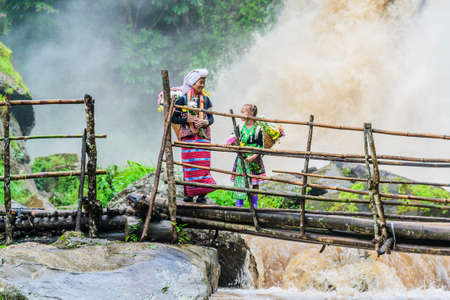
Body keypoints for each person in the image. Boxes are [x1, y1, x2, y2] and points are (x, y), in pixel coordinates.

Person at [171, 69, 216, 203]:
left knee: (203, 166)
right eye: (200, 82)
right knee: (189, 166)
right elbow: (174, 118)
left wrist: (206, 122)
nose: (202, 85)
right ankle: (189, 194)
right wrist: (187, 120)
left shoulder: (206, 100)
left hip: (203, 138)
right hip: (188, 137)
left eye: (203, 82)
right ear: (192, 83)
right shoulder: (182, 100)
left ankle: (202, 194)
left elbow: (212, 119)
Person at [227, 104, 266, 208]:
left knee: (255, 182)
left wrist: (253, 157)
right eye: (241, 111)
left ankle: (254, 202)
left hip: (254, 158)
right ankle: (239, 202)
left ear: (251, 114)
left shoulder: (258, 129)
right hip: (242, 158)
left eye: (243, 112)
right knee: (240, 179)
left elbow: (261, 146)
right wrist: (232, 143)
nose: (241, 114)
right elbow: (232, 138)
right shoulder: (239, 127)